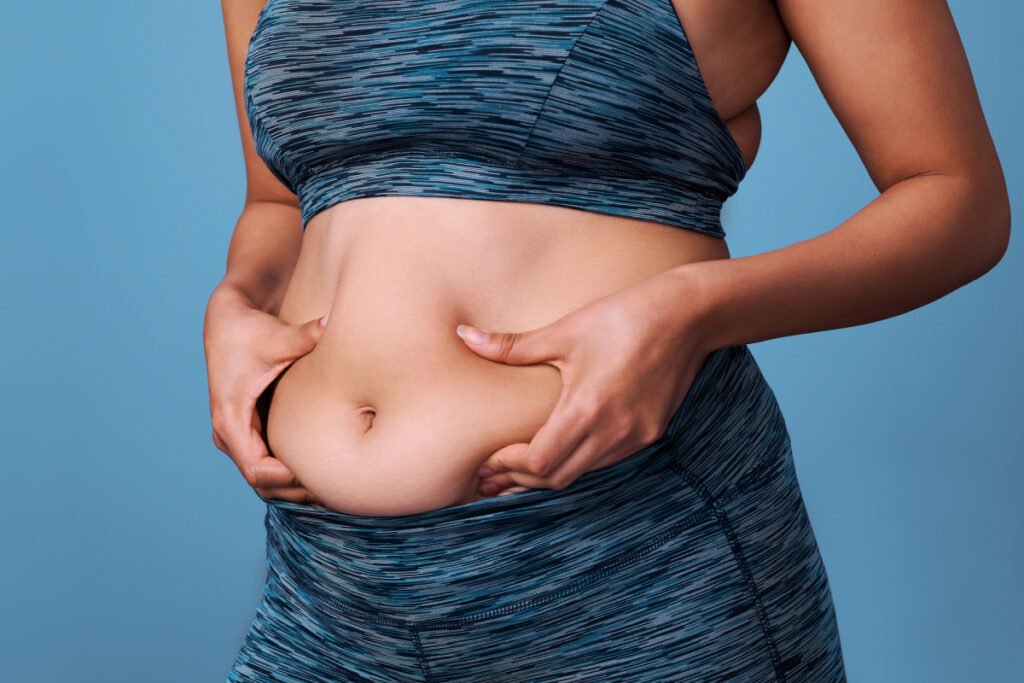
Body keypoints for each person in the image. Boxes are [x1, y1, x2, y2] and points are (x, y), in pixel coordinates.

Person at [206, 0, 1009, 680]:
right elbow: (278, 203)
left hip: (636, 563)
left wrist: (692, 311)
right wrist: (236, 301)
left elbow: (958, 199)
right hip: (330, 585)